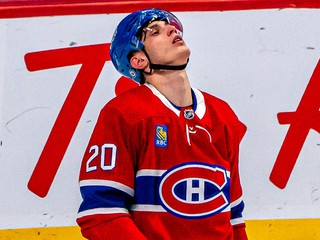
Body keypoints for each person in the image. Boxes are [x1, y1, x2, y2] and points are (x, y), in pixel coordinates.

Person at [77, 8, 248, 240]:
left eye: (172, 26)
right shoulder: (124, 114)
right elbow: (101, 213)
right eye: (154, 31)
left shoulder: (222, 115)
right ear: (138, 60)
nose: (171, 29)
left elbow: (233, 216)